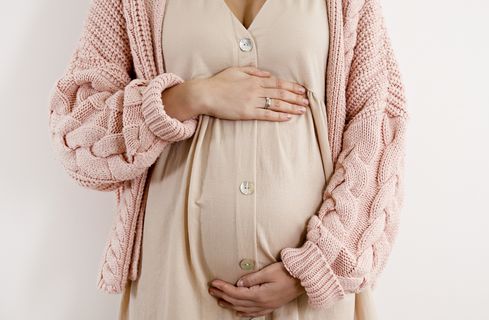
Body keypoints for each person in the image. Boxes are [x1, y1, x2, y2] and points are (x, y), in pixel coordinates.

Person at [47, 0, 409, 318]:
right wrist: (188, 98)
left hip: (306, 295)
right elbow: (78, 132)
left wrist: (317, 266)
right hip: (176, 285)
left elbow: (378, 125)